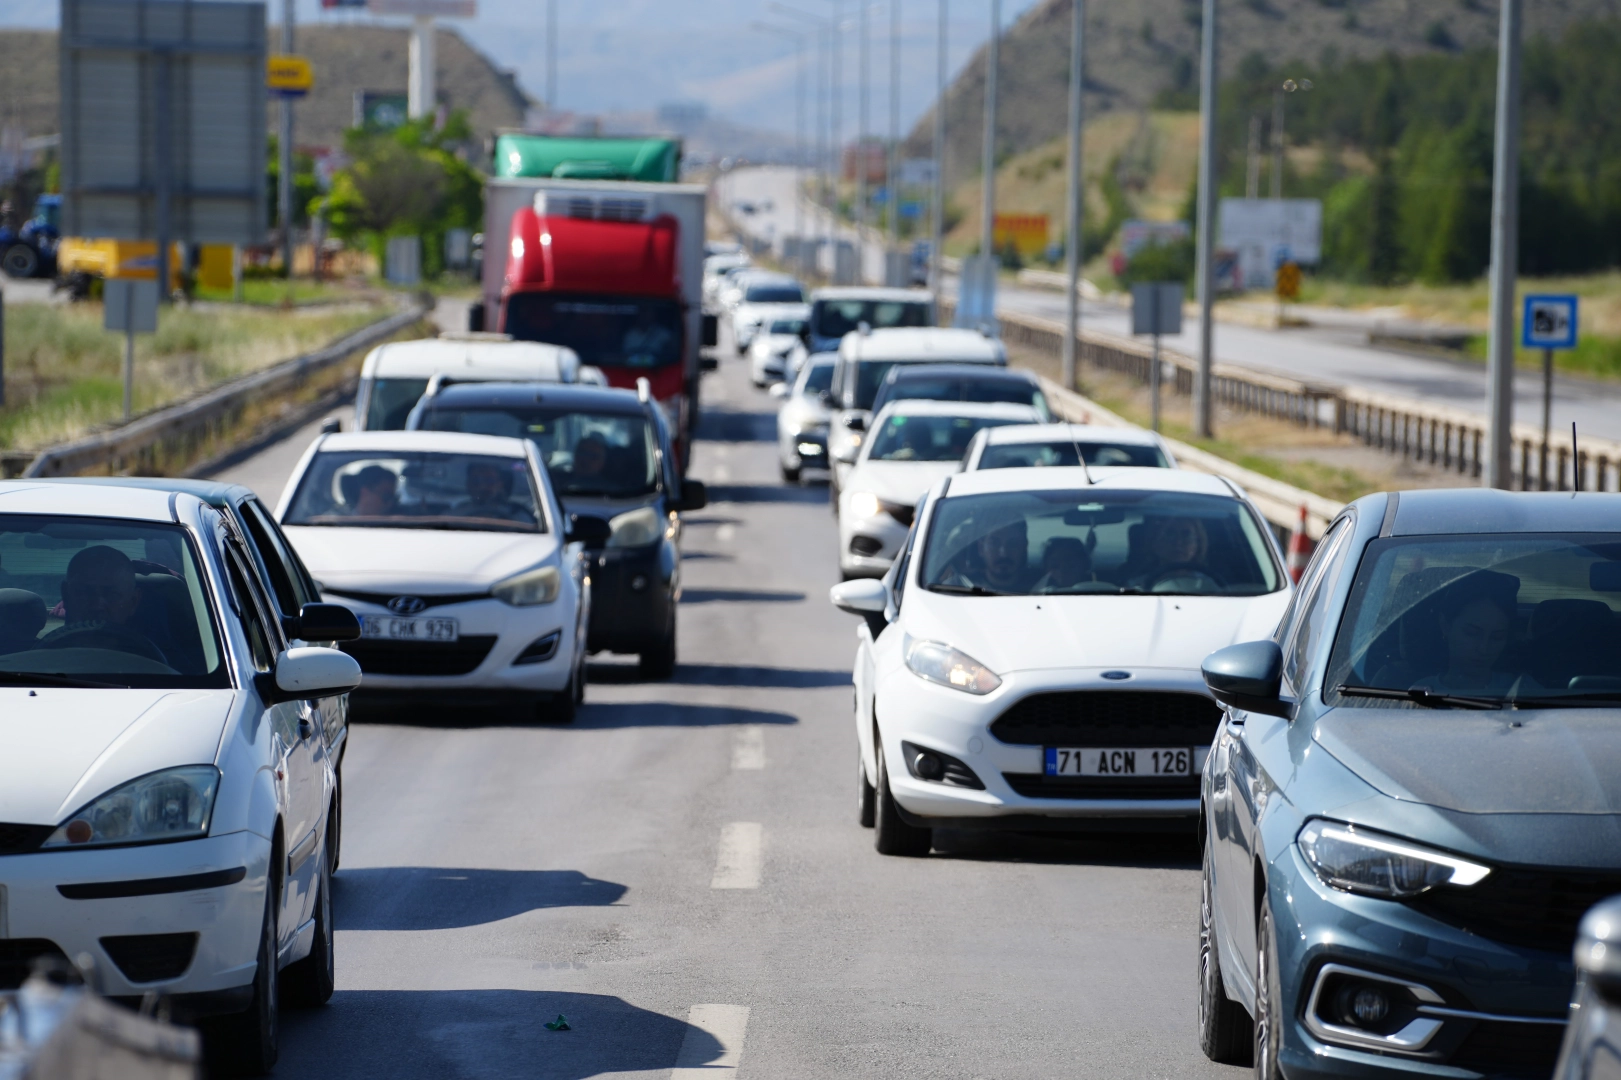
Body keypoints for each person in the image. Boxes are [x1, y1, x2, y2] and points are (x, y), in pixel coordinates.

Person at [38, 545, 166, 663]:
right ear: (65, 595)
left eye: (112, 595)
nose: (97, 605)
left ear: (133, 601)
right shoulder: (33, 662)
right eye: (84, 593)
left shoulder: (160, 667)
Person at [1415, 571, 1521, 695]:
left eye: (1497, 637)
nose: (1483, 649)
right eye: (1472, 633)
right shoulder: (1417, 694)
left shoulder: (1525, 690)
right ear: (1445, 625)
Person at [1128, 516, 1210, 588]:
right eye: (1170, 534)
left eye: (1186, 535)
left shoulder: (1210, 585)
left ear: (1198, 543)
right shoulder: (1136, 588)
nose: (1178, 542)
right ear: (1154, 542)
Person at [454, 461, 534, 524]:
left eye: (489, 481)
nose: (482, 486)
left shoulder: (519, 516)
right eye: (476, 481)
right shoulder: (454, 515)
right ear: (468, 485)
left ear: (500, 484)